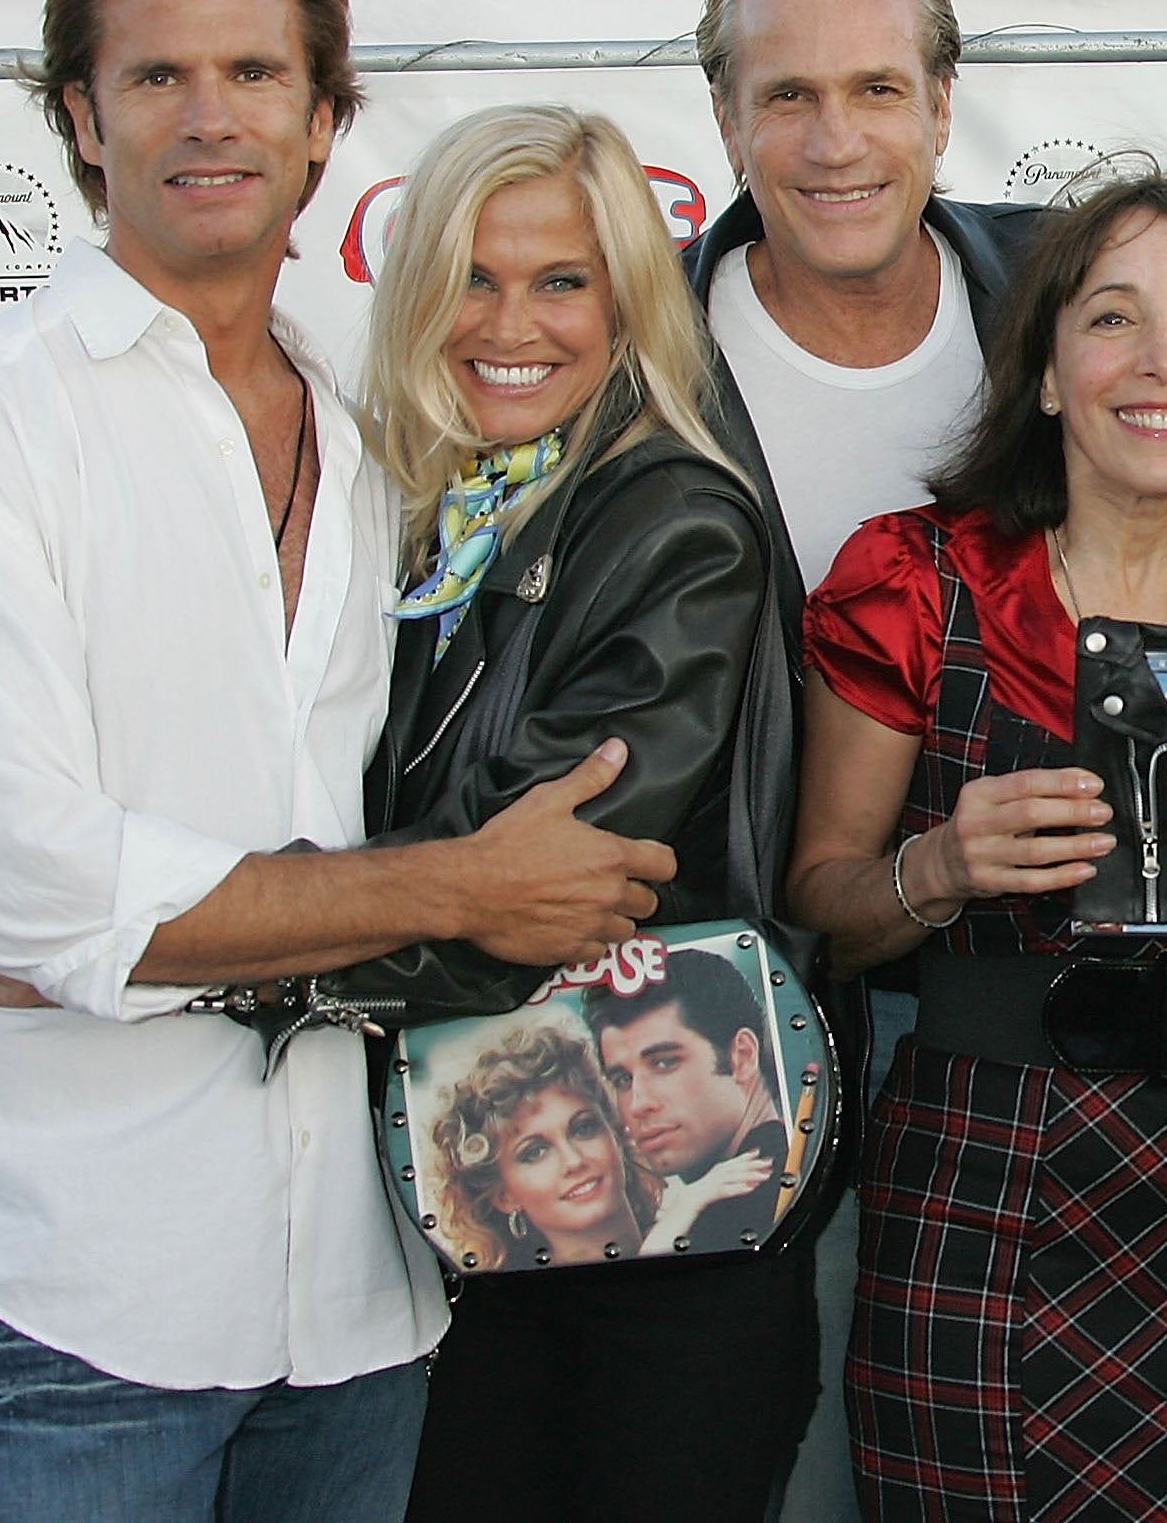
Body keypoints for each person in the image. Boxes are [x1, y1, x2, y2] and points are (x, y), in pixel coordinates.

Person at [0, 0, 668, 1522]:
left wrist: (121, 943)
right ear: (80, 118)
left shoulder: (390, 444)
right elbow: (33, 887)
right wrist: (462, 893)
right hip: (74, 1291)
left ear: (324, 117)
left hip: (364, 1289)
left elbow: (101, 917)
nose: (205, 117)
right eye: (154, 77)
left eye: (255, 76)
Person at [785, 170, 1167, 1519]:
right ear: (1050, 374)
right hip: (982, 1174)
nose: (1161, 360)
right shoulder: (916, 579)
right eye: (1113, 319)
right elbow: (815, 912)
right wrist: (932, 869)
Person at [327, 102, 822, 1523]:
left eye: (560, 281)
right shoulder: (422, 519)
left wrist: (205, 951)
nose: (511, 321)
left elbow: (534, 890)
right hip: (482, 1201)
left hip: (659, 1222)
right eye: (473, 277)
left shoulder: (669, 522)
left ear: (625, 304)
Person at [681, 0, 1048, 1515]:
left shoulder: (1067, 293)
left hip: (1041, 1032)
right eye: (788, 96)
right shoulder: (633, 362)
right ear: (723, 118)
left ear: (944, 103)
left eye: (878, 89)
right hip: (751, 1035)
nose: (837, 142)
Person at [584, 949, 794, 1251]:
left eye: (664, 1063)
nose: (637, 1104)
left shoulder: (748, 1200)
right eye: (622, 1080)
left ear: (742, 1056)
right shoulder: (712, 1200)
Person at [431, 1023, 654, 1270]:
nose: (574, 1161)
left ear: (615, 1133)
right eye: (535, 1152)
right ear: (504, 1196)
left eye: (584, 1128)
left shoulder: (694, 1226)